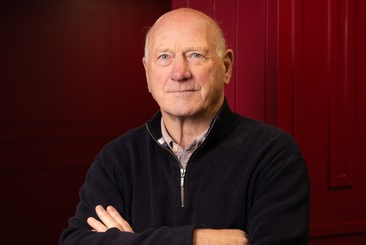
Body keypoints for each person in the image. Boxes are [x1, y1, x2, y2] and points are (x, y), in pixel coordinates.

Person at [60, 8, 310, 245]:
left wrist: (129, 240)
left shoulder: (273, 155)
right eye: (164, 57)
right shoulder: (117, 159)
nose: (179, 73)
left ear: (226, 67)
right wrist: (193, 240)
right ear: (148, 73)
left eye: (195, 55)